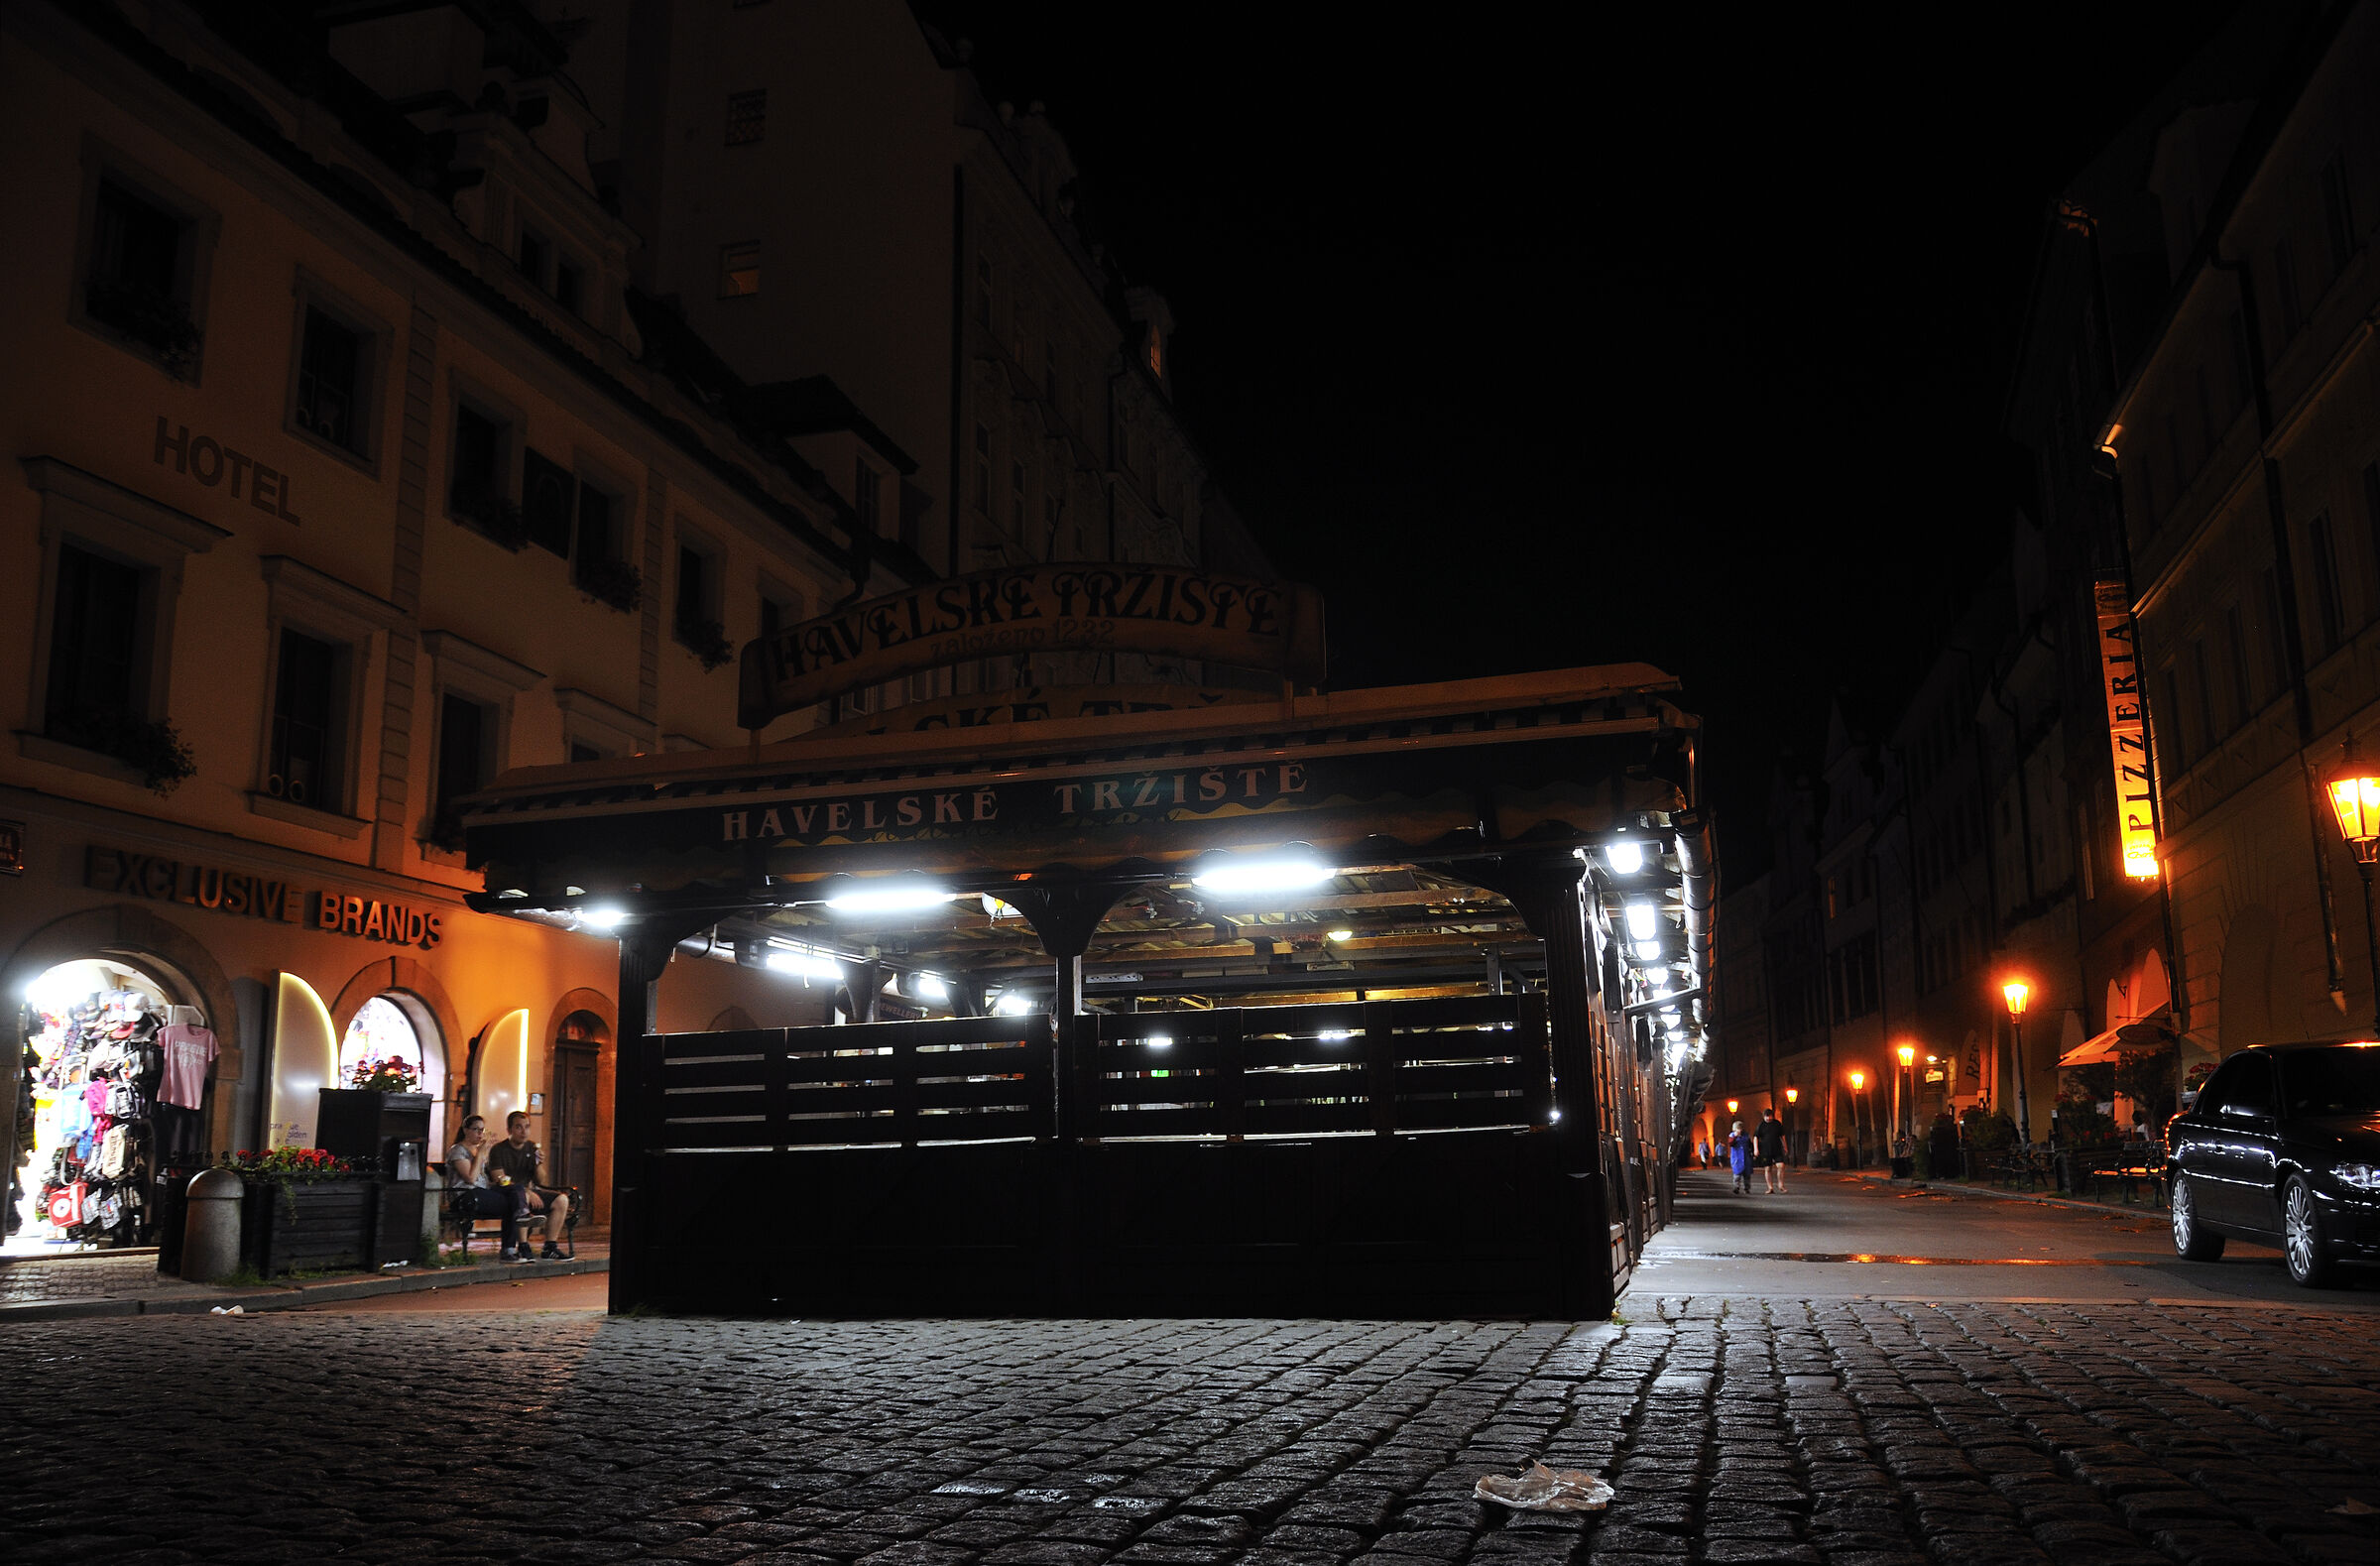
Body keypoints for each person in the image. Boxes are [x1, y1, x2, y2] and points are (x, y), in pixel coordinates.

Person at [486, 1111, 571, 1260]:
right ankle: (523, 1246)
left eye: (527, 1127)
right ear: (509, 1130)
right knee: (522, 1195)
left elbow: (541, 1181)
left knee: (562, 1200)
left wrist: (538, 1164)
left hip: (530, 1192)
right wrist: (527, 1191)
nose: (524, 1131)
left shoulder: (532, 1148)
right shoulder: (498, 1150)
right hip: (507, 1194)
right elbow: (499, 1178)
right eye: (519, 1127)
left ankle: (550, 1246)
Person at [443, 1114, 523, 1260]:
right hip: (464, 1196)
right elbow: (471, 1179)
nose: (480, 1134)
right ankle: (509, 1248)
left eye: (482, 1130)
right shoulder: (458, 1150)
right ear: (466, 1130)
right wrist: (480, 1154)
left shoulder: (477, 1151)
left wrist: (498, 1182)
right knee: (512, 1203)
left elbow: (483, 1181)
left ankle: (523, 1213)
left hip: (482, 1192)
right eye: (476, 1130)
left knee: (516, 1189)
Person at [1753, 1108, 1788, 1192]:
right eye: (1766, 1117)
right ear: (1764, 1117)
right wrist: (1756, 1149)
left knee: (1781, 1166)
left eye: (1770, 1116)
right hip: (1765, 1150)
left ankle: (1781, 1184)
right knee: (1768, 1168)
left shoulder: (1777, 1124)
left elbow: (1782, 1136)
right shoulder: (1761, 1125)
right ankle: (1770, 1187)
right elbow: (1756, 1138)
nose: (1768, 1118)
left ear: (1773, 1116)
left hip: (1777, 1149)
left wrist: (1785, 1146)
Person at [1726, 1119, 1751, 1194]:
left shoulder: (1746, 1135)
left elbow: (1750, 1144)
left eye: (1740, 1128)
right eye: (1737, 1129)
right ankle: (1736, 1187)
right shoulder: (1732, 1136)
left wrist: (1751, 1152)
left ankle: (1747, 1188)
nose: (1739, 1130)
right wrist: (1735, 1137)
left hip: (1746, 1157)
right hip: (1736, 1157)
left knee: (1747, 1175)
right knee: (1737, 1174)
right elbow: (1730, 1143)